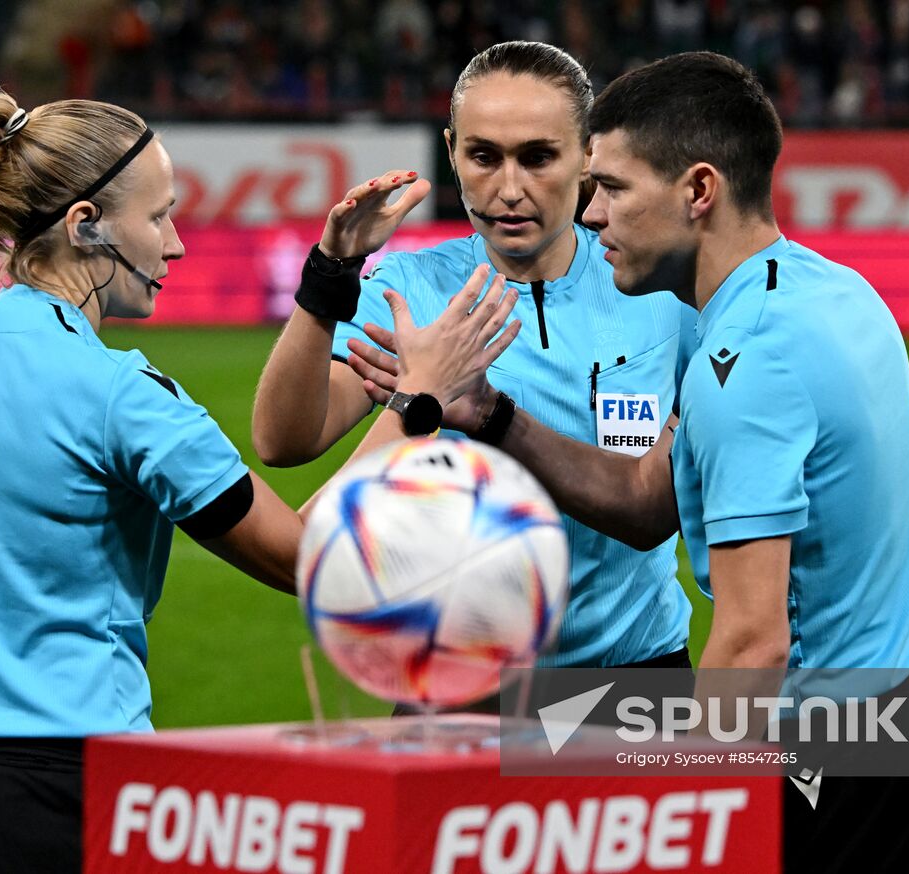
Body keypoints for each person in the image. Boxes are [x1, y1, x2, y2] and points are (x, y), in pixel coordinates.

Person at [0, 90, 500, 873]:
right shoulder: (122, 394)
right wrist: (417, 404)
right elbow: (307, 560)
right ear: (85, 225)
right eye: (158, 218)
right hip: (64, 800)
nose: (176, 245)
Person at [346, 52, 909, 872]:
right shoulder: (826, 292)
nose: (591, 216)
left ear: (698, 191)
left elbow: (751, 644)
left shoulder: (745, 364)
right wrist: (492, 414)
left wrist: (672, 817)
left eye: (614, 188)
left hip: (854, 758)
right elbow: (647, 499)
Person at [253, 41, 696, 674]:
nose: (509, 188)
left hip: (636, 673)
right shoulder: (412, 291)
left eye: (538, 157)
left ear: (588, 157)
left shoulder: (658, 289)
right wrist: (331, 276)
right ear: (453, 149)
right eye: (483, 156)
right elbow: (285, 440)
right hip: (464, 685)